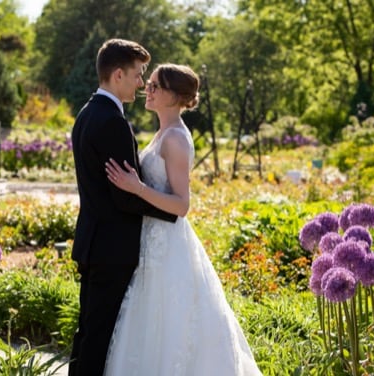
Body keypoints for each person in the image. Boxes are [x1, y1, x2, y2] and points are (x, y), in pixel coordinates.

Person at [104, 63, 263, 375]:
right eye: (147, 84)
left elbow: (181, 205)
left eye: (154, 86)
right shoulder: (163, 132)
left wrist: (136, 188)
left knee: (171, 323)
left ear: (175, 97)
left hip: (169, 243)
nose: (146, 90)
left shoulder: (176, 139)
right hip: (152, 240)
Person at [69, 39, 177, 376]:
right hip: (112, 248)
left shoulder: (86, 114)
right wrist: (174, 211)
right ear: (118, 75)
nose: (142, 84)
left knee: (88, 333)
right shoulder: (113, 122)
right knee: (98, 339)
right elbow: (124, 195)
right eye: (137, 75)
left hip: (93, 242)